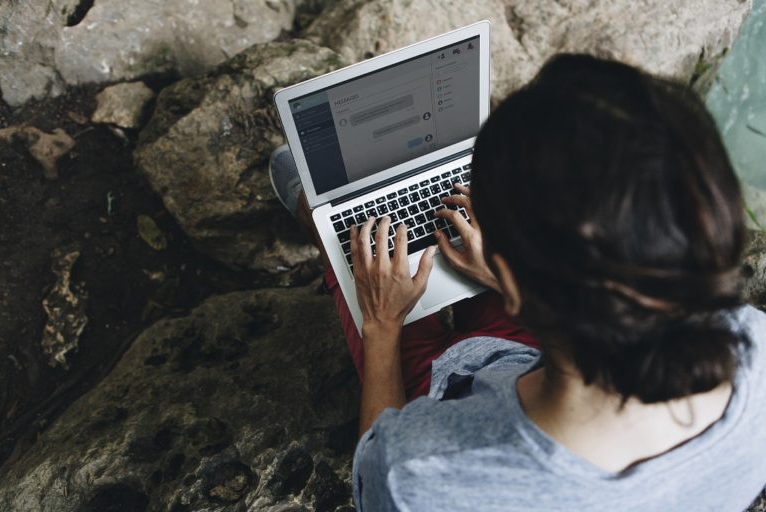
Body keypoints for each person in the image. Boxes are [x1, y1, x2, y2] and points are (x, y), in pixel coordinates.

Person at [270, 54, 766, 511]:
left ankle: (315, 219)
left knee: (332, 225)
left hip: (443, 394)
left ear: (517, 282)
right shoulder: (756, 347)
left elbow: (370, 473)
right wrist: (509, 274)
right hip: (540, 356)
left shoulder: (420, 475)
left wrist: (380, 326)